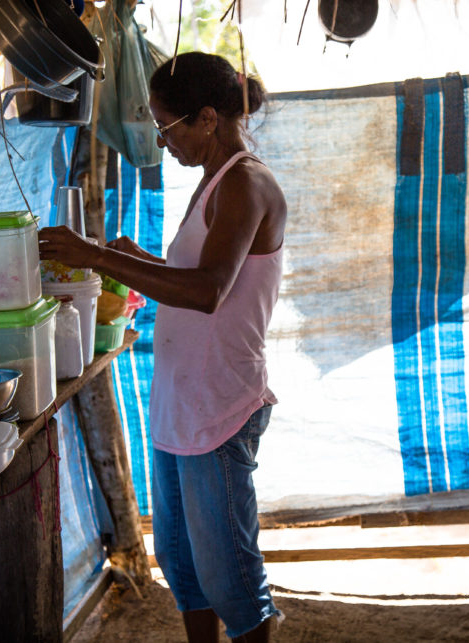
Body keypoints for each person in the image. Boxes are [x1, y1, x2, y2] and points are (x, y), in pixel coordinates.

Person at [38, 51, 287, 642]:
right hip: (181, 406)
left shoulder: (246, 183)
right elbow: (195, 277)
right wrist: (135, 259)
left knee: (231, 579)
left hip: (220, 410)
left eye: (166, 127)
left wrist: (97, 256)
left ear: (207, 118)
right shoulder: (213, 180)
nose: (162, 140)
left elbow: (206, 292)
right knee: (183, 567)